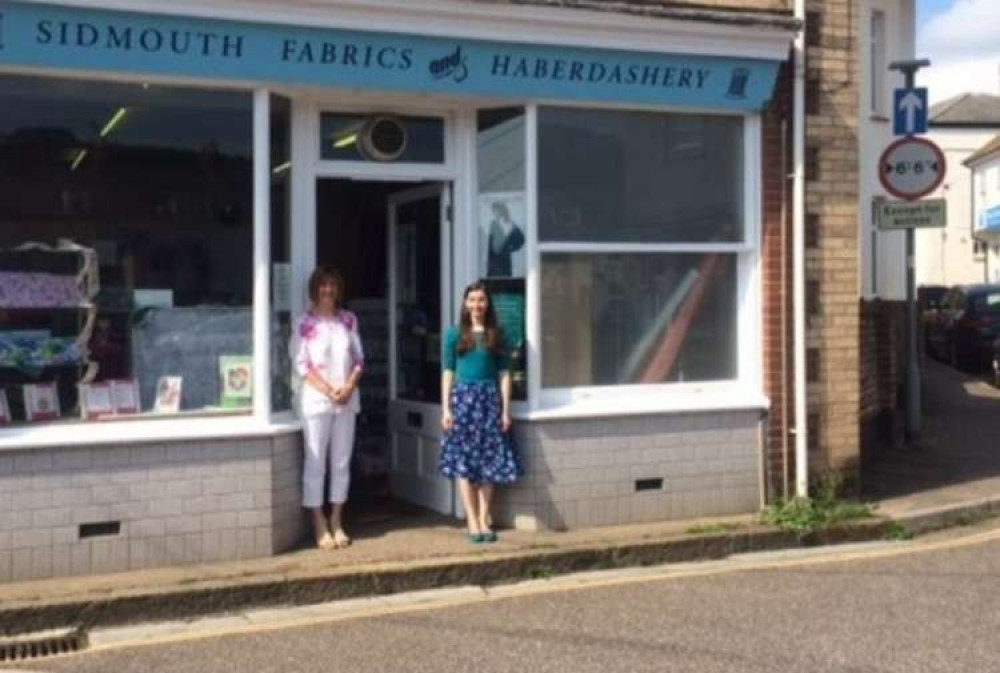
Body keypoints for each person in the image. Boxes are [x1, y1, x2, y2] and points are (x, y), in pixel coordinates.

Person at [439, 280, 523, 543]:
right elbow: (448, 371)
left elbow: (504, 374)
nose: (477, 305)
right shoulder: (453, 335)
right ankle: (472, 520)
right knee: (464, 462)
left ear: (488, 304)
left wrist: (505, 411)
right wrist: (446, 409)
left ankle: (485, 517)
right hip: (463, 401)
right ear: (465, 303)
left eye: (482, 300)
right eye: (472, 299)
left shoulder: (497, 334)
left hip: (489, 401)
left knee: (490, 461)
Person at [291, 266, 364, 550]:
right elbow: (301, 365)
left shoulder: (348, 320)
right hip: (317, 401)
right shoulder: (304, 323)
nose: (328, 290)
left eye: (332, 285)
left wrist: (348, 386)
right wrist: (329, 389)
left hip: (346, 400)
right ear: (314, 289)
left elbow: (359, 359)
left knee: (341, 461)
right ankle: (318, 520)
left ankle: (337, 519)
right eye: (323, 285)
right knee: (316, 461)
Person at [486, 201, 525, 278]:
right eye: (493, 212)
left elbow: (521, 239)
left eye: (496, 211)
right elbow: (492, 245)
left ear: (501, 211)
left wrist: (510, 248)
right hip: (494, 263)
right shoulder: (493, 224)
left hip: (504, 262)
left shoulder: (510, 224)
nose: (495, 214)